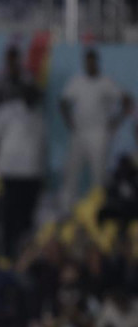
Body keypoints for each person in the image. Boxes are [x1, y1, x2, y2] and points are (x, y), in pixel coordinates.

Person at [59, 49, 132, 209]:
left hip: (98, 133)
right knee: (71, 171)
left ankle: (98, 208)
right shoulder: (77, 81)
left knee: (98, 173)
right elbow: (63, 102)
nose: (90, 64)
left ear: (97, 62)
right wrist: (69, 122)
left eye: (92, 61)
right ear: (85, 62)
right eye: (87, 61)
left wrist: (116, 121)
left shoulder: (106, 82)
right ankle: (66, 208)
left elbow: (127, 100)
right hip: (79, 132)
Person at [0, 86, 47, 258]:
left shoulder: (39, 116)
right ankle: (7, 253)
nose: (33, 98)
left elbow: (42, 147)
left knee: (27, 218)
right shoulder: (7, 110)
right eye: (30, 94)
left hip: (33, 174)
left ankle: (25, 255)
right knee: (9, 216)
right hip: (11, 172)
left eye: (36, 95)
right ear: (23, 94)